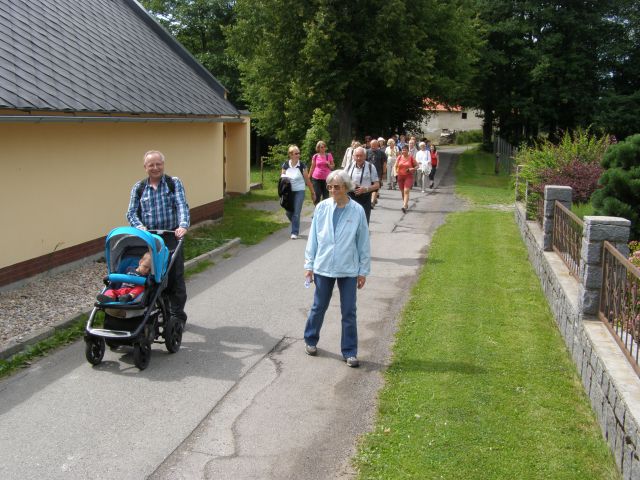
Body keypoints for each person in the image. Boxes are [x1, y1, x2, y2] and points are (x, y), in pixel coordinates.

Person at [303, 169, 371, 368]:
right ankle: (310, 339)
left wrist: (363, 271)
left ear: (346, 187)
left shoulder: (357, 210)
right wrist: (309, 265)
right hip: (323, 266)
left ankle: (350, 351)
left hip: (348, 268)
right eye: (330, 187)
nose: (333, 190)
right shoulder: (322, 208)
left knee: (349, 311)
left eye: (337, 187)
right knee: (319, 306)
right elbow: (313, 239)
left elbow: (363, 242)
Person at [126, 150, 189, 326]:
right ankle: (159, 310)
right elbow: (131, 213)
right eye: (151, 165)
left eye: (158, 164)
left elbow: (181, 205)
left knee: (174, 277)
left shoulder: (173, 183)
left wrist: (183, 225)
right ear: (145, 167)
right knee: (152, 276)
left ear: (163, 164)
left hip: (171, 236)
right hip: (149, 239)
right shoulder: (139, 188)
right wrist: (140, 227)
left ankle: (177, 316)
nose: (155, 168)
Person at [281, 145, 315, 239]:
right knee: (288, 212)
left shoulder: (302, 165)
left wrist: (312, 192)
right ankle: (295, 222)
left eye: (299, 153)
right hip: (289, 192)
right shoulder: (285, 165)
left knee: (296, 212)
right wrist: (282, 190)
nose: (298, 155)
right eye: (296, 153)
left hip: (299, 191)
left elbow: (307, 180)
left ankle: (294, 232)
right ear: (290, 155)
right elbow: (282, 179)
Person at [346, 146, 380, 224]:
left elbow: (377, 185)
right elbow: (342, 180)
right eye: (357, 156)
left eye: (361, 156)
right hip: (350, 196)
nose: (359, 158)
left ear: (365, 156)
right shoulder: (349, 166)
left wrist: (365, 189)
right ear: (353, 156)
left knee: (363, 221)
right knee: (350, 221)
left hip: (365, 197)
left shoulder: (371, 167)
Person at [394, 144, 418, 213]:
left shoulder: (411, 158)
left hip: (408, 176)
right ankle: (405, 203)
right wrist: (395, 173)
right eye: (403, 150)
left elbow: (417, 166)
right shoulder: (399, 157)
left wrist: (413, 168)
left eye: (405, 150)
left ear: (408, 151)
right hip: (400, 176)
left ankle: (404, 206)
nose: (403, 151)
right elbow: (395, 166)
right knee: (402, 192)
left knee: (406, 191)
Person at [366, 138, 387, 207]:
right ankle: (374, 199)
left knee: (375, 187)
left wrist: (384, 172)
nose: (373, 146)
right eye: (372, 145)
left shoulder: (381, 153)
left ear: (378, 145)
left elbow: (384, 164)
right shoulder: (367, 152)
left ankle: (372, 202)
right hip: (368, 173)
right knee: (370, 186)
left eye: (375, 145)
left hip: (378, 173)